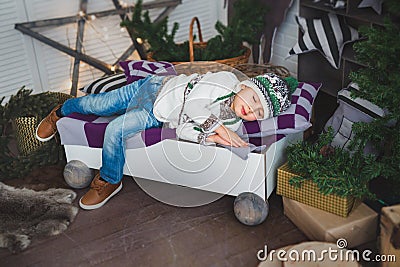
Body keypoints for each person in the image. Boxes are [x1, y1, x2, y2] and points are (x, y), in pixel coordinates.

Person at [36, 71, 296, 210]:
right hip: (153, 87)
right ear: (245, 86)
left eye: (259, 113)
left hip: (156, 113)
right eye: (253, 100)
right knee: (100, 104)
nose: (251, 111)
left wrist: (213, 136)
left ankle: (109, 180)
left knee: (115, 129)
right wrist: (218, 128)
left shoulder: (233, 124)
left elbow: (183, 129)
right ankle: (59, 112)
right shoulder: (226, 82)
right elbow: (195, 106)